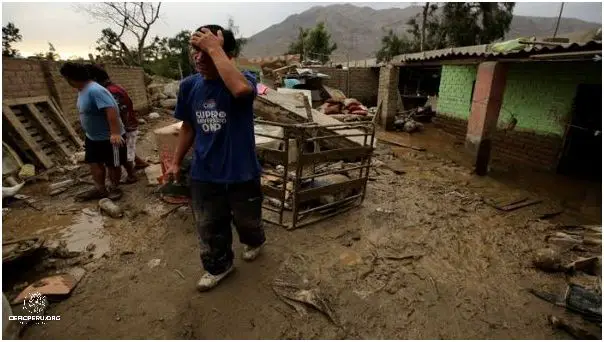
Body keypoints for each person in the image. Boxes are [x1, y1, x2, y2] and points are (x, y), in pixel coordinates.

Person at [166, 25, 265, 291]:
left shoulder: (244, 79)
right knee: (209, 225)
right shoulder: (189, 86)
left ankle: (253, 241)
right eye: (195, 50)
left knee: (248, 219)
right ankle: (219, 266)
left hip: (242, 170)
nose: (198, 58)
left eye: (207, 51)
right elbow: (188, 126)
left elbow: (241, 92)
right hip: (204, 172)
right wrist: (176, 162)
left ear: (226, 53)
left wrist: (214, 48)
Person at [59, 62, 126, 201]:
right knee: (94, 163)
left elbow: (111, 110)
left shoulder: (95, 90)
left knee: (113, 164)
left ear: (71, 78)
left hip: (109, 137)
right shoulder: (82, 90)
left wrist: (115, 133)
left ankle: (114, 188)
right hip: (92, 137)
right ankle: (100, 189)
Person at [86, 64, 149, 183]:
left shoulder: (110, 91)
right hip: (128, 125)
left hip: (126, 126)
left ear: (94, 79)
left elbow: (120, 111)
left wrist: (121, 129)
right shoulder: (114, 88)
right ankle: (140, 164)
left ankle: (132, 176)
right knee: (126, 149)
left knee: (126, 153)